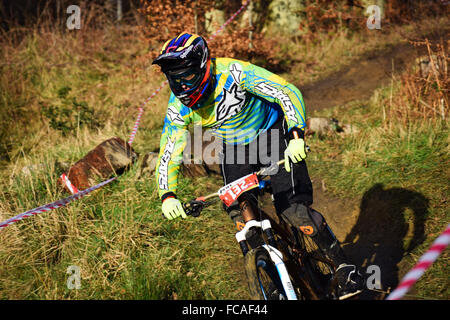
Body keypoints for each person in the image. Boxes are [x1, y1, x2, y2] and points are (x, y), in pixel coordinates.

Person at [152, 32, 364, 299]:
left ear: (204, 66)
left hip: (272, 134)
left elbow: (286, 91)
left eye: (188, 76)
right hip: (235, 149)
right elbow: (169, 151)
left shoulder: (235, 72)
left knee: (294, 212)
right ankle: (272, 286)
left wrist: (296, 135)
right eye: (175, 78)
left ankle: (345, 267)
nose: (182, 85)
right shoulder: (177, 109)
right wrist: (167, 195)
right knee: (242, 217)